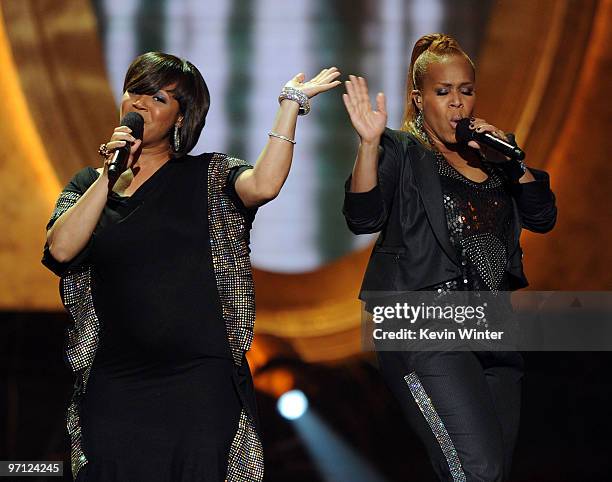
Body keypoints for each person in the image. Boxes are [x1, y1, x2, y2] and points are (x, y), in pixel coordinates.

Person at [42, 51, 340, 482]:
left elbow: (264, 183)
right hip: (117, 382)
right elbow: (62, 250)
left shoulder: (210, 175)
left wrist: (291, 104)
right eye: (136, 91)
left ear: (182, 119)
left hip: (197, 381)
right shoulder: (90, 185)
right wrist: (111, 175)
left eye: (159, 98)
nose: (141, 104)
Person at [342, 34, 557, 481]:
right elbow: (362, 218)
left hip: (493, 325)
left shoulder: (496, 154)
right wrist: (367, 145)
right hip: (424, 323)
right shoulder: (400, 151)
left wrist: (513, 164)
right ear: (419, 99)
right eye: (443, 92)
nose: (457, 104)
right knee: (477, 469)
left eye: (466, 90)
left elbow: (543, 217)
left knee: (491, 471)